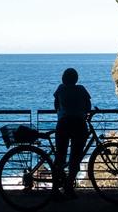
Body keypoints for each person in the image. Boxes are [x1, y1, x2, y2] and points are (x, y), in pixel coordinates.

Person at [52, 67, 92, 200]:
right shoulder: (81, 89)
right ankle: (69, 187)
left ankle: (55, 189)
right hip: (79, 125)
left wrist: (62, 113)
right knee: (75, 158)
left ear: (63, 78)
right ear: (76, 79)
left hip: (63, 124)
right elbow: (88, 106)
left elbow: (56, 105)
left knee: (60, 157)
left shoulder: (60, 89)